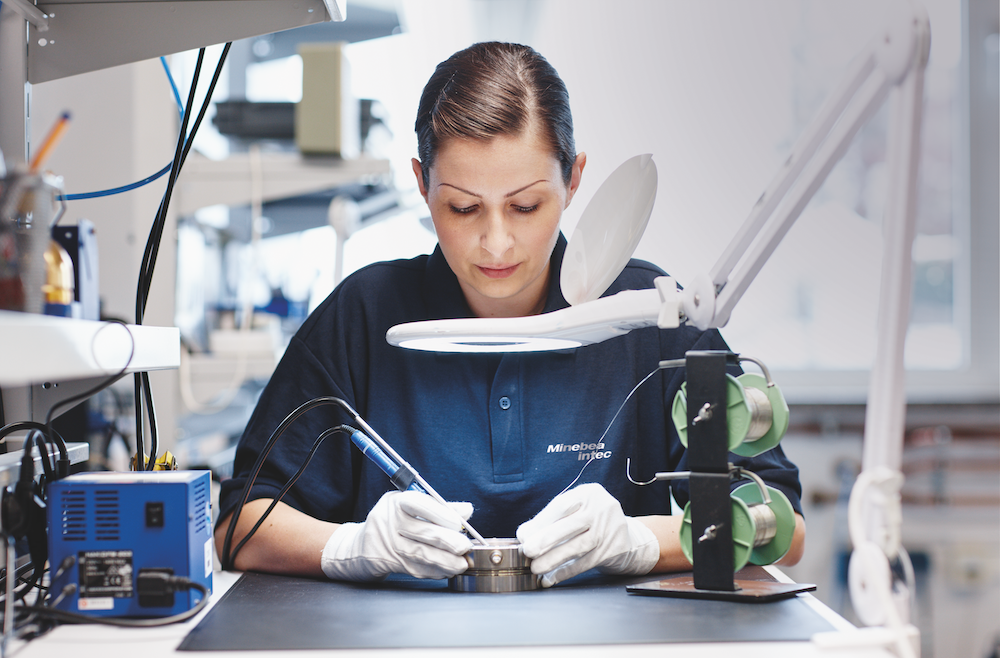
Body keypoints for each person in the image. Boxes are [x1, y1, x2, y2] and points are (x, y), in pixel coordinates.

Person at [215, 41, 806, 587]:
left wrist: (641, 542)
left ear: (573, 180)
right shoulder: (365, 316)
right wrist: (352, 547)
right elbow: (239, 527)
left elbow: (780, 525)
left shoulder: (652, 314)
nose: (496, 244)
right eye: (464, 207)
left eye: (525, 206)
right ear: (422, 185)